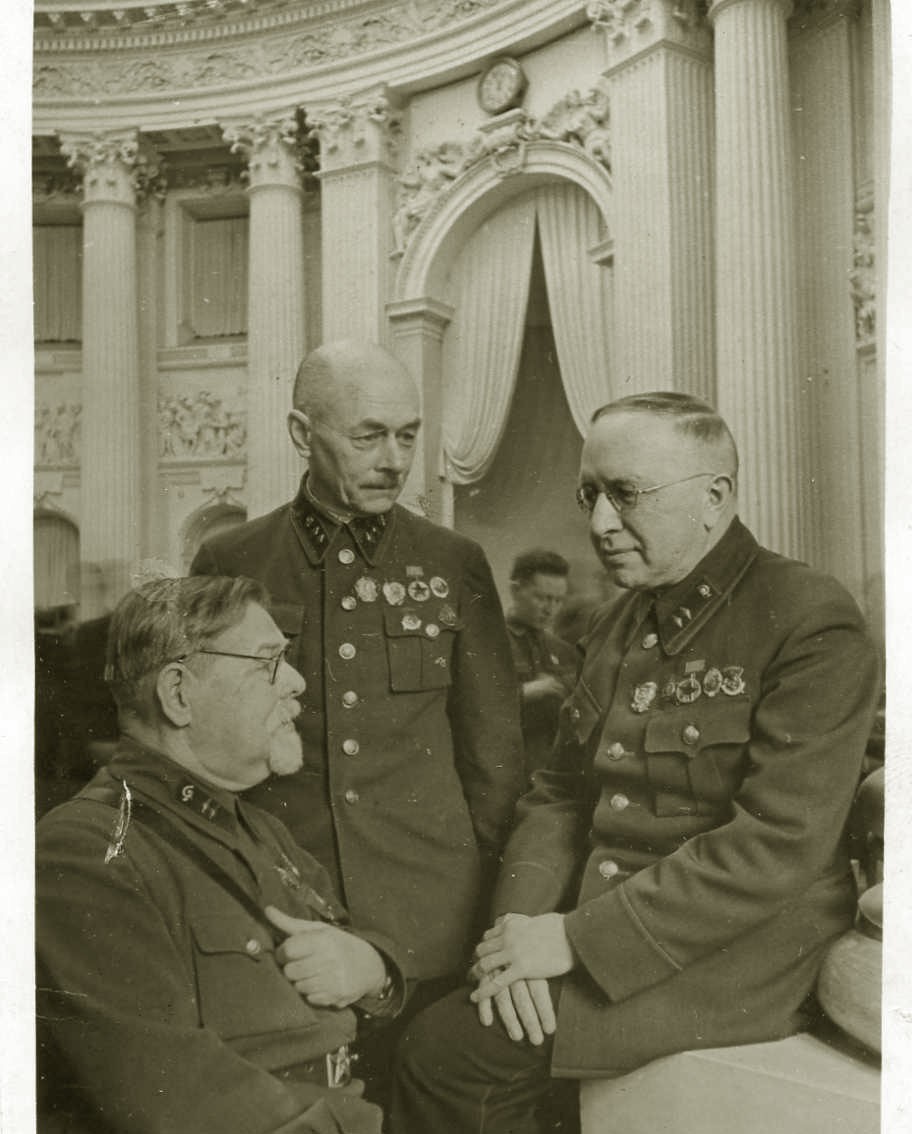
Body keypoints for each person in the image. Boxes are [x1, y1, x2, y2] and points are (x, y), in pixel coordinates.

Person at [390, 391, 882, 1134]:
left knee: (446, 1053)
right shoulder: (619, 621)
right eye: (589, 494)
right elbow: (559, 794)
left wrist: (571, 941)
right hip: (603, 924)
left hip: (737, 951)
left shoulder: (809, 618)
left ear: (714, 497)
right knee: (455, 1023)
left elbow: (777, 844)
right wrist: (519, 925)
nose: (598, 523)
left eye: (627, 494)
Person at [190, 340, 524, 985]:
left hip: (430, 907)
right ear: (302, 433)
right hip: (280, 897)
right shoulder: (231, 561)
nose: (394, 461)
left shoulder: (454, 562)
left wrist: (488, 899)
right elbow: (204, 746)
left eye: (407, 436)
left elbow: (494, 755)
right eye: (368, 437)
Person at [37, 576, 409, 1134]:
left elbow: (345, 974)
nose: (297, 682)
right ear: (178, 694)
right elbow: (175, 1095)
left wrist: (373, 970)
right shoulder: (89, 849)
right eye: (267, 663)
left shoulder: (259, 828)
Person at [505, 549, 577, 779]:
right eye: (542, 598)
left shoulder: (563, 650)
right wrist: (524, 693)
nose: (550, 609)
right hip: (505, 767)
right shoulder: (489, 643)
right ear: (516, 590)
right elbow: (471, 707)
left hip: (551, 771)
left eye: (558, 600)